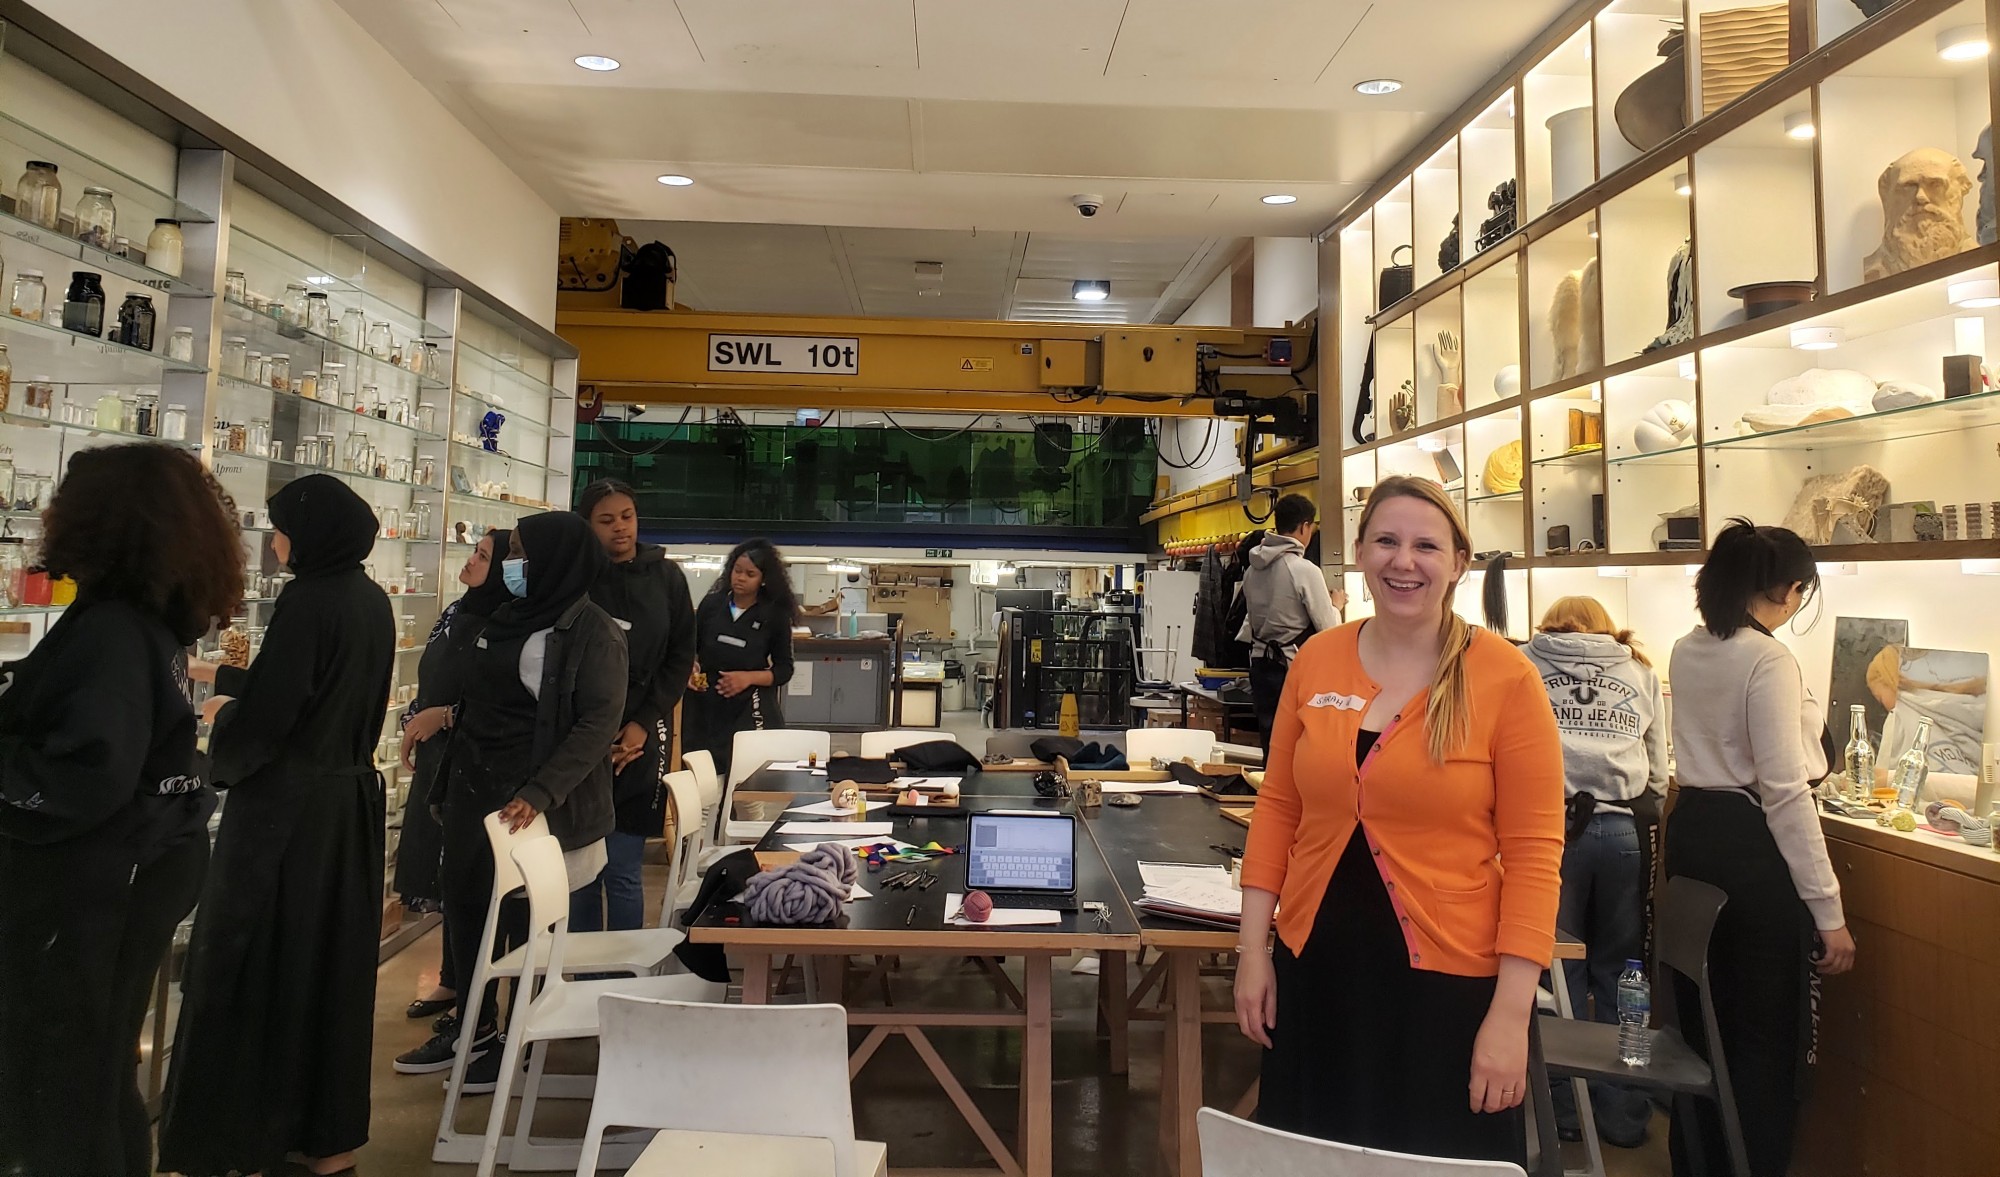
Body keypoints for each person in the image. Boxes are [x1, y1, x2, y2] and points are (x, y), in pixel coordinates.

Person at [1234, 475, 1565, 1165]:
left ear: (1458, 562)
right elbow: (1279, 809)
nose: (1403, 561)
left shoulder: (1506, 678)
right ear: (1358, 552)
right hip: (1317, 972)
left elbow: (1535, 856)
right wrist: (1252, 951)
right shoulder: (1317, 660)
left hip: (1446, 992)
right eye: (1386, 540)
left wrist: (1510, 1014)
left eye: (1425, 545)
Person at [0, 445, 240, 1177]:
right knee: (97, 1074)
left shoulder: (110, 629)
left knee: (68, 1079)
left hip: (89, 884)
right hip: (132, 867)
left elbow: (89, 775)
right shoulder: (147, 621)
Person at [160, 474, 396, 1177]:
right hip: (343, 813)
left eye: (282, 526)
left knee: (253, 969)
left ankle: (240, 1142)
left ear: (310, 532)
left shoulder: (308, 599)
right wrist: (234, 680)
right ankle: (327, 1141)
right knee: (326, 973)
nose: (275, 540)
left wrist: (220, 720)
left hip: (286, 820)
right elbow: (316, 688)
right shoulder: (369, 599)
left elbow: (272, 717)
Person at [1666, 519, 1854, 1177]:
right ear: (1788, 588)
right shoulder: (1767, 658)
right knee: (1764, 1039)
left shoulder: (1688, 646)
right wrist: (1828, 911)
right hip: (1751, 851)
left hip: (1692, 836)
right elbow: (1784, 790)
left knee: (1698, 1022)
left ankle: (1698, 1161)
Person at [425, 512, 625, 1089]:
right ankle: (475, 1026)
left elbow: (595, 725)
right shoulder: (506, 616)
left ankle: (521, 1037)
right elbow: (480, 698)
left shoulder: (594, 632)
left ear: (555, 559)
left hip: (535, 801)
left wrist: (541, 792)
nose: (512, 563)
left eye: (519, 551)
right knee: (465, 910)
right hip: (473, 788)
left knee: (520, 921)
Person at [1521, 596, 1666, 1149]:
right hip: (1622, 834)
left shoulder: (1526, 663)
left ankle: (1564, 1108)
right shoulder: (1640, 671)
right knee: (1625, 976)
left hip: (1550, 832)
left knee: (1557, 973)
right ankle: (1625, 1112)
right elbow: (1654, 770)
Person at [387, 528, 511, 1040]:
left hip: (473, 757)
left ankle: (471, 993)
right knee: (440, 870)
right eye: (474, 552)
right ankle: (451, 978)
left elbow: (498, 698)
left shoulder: (505, 620)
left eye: (483, 556)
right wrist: (415, 719)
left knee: (466, 876)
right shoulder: (456, 611)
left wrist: (448, 715)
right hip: (437, 752)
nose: (471, 562)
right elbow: (432, 672)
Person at [571, 480, 695, 932]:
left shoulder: (667, 578)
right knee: (581, 876)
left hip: (642, 738)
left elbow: (680, 657)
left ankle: (621, 978)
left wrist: (643, 722)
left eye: (627, 516)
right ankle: (580, 973)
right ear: (588, 525)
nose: (620, 528)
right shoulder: (576, 577)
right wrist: (593, 732)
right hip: (582, 739)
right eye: (606, 521)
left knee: (622, 871)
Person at [1237, 494, 1344, 754]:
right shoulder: (1303, 569)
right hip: (1292, 666)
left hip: (1261, 664)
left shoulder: (1252, 570)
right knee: (1296, 744)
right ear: (1304, 527)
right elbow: (1328, 627)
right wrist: (1337, 605)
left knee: (1270, 743)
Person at [684, 538, 798, 782]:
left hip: (747, 707)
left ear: (763, 579)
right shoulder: (712, 604)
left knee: (746, 787)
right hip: (706, 707)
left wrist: (747, 678)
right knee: (706, 782)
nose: (741, 578)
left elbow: (784, 669)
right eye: (737, 571)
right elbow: (691, 648)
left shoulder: (774, 615)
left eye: (750, 574)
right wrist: (690, 669)